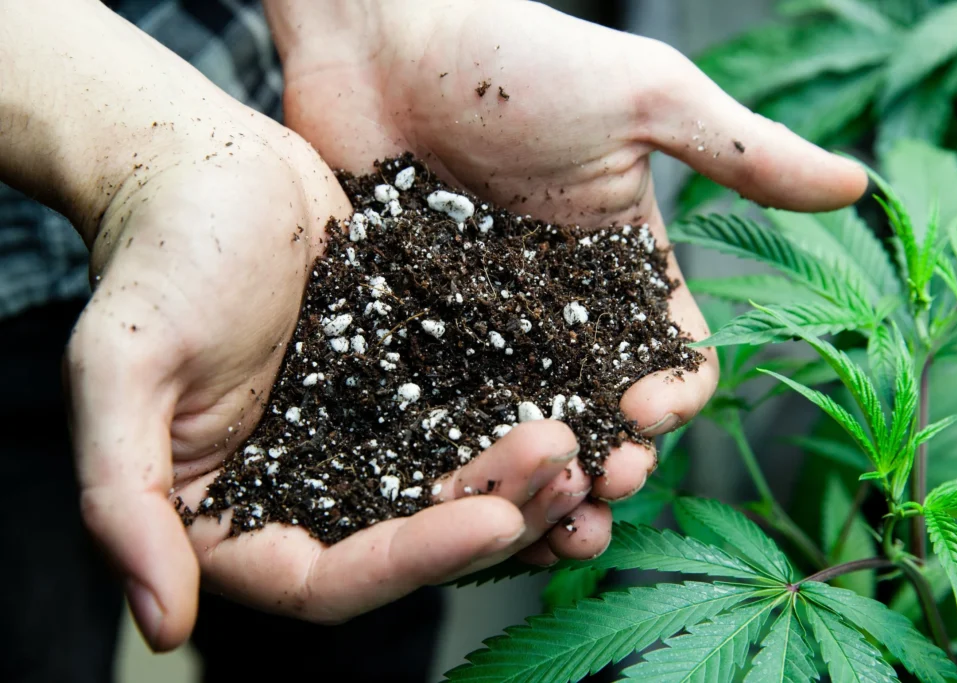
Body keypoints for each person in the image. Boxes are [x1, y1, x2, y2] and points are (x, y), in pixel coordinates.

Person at [0, 0, 867, 680]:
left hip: (288, 115)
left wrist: (377, 17)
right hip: (37, 263)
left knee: (363, 634)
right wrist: (123, 139)